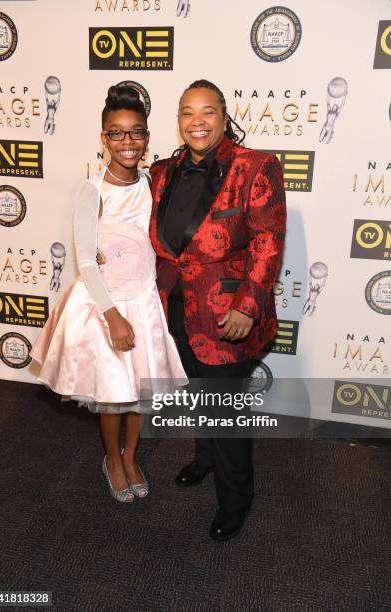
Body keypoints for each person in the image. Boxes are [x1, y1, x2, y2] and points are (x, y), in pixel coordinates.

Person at [31, 85, 186, 503]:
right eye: (116, 133)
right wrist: (113, 315)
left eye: (136, 132)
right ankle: (112, 460)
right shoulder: (91, 190)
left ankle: (131, 457)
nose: (127, 142)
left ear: (147, 136)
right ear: (103, 139)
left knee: (138, 392)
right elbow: (85, 261)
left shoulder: (153, 182)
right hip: (106, 305)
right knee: (112, 394)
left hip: (144, 299)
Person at [149, 79, 286, 540]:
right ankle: (204, 458)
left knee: (225, 415)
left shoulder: (256, 166)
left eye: (207, 111)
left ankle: (236, 499)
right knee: (198, 393)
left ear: (225, 117)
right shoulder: (162, 171)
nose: (197, 121)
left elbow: (268, 242)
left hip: (229, 314)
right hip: (176, 308)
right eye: (187, 112)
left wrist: (248, 306)